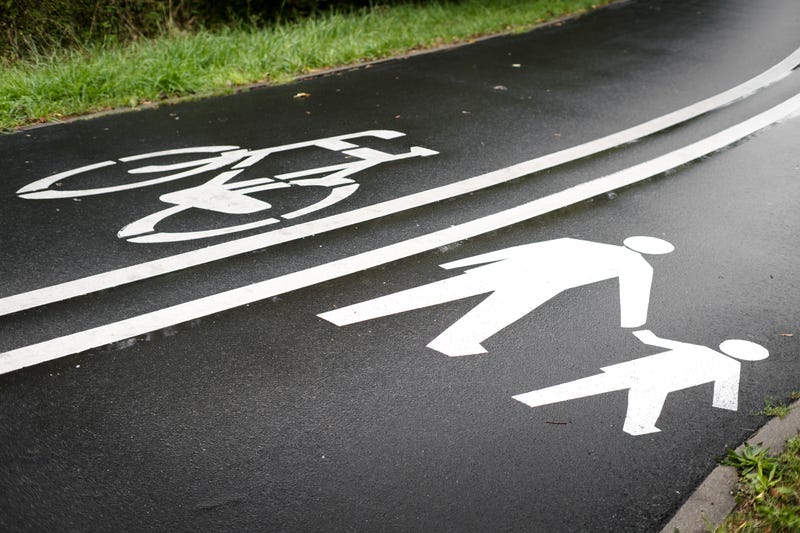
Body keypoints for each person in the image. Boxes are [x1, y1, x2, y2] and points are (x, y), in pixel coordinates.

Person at [320, 236, 674, 356]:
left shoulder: (579, 242)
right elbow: (633, 299)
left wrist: (463, 261)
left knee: (437, 291)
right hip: (543, 283)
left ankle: (349, 313)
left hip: (509, 269)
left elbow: (528, 246)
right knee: (495, 312)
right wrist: (634, 327)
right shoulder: (641, 268)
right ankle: (455, 343)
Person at [513, 330, 769, 435]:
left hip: (640, 370)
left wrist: (645, 334)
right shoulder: (730, 366)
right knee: (644, 406)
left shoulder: (704, 350)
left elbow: (657, 342)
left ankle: (535, 397)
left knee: (591, 384)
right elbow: (724, 399)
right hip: (660, 380)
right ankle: (639, 427)